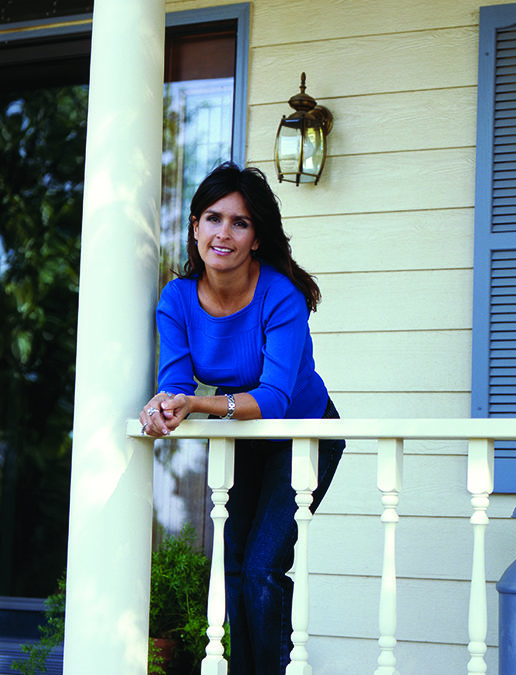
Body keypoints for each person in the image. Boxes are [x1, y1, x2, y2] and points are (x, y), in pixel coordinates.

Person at [139, 162, 344, 674]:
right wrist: (161, 405)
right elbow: (177, 385)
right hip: (243, 434)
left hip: (304, 433)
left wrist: (198, 406)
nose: (223, 233)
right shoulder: (177, 299)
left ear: (257, 238)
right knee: (232, 571)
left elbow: (274, 398)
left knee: (262, 569)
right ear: (194, 228)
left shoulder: (281, 294)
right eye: (212, 218)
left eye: (240, 222)